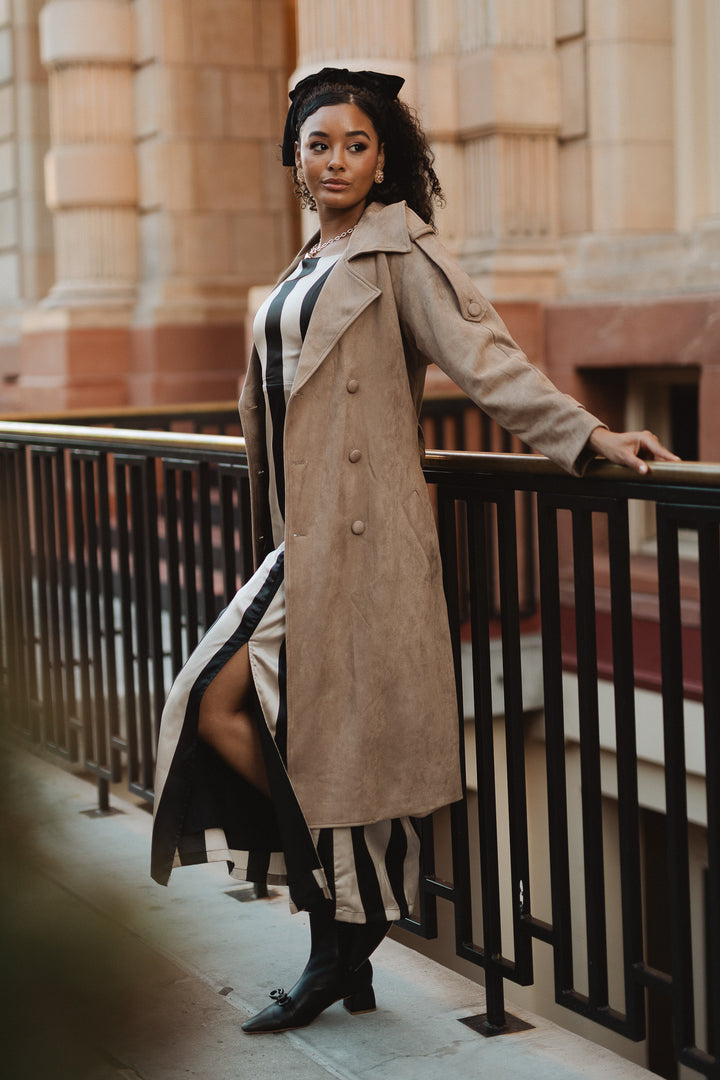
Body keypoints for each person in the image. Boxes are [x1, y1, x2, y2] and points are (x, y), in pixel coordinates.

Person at [151, 67, 678, 1035]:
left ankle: (336, 947)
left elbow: (488, 360)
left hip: (361, 551)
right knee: (237, 716)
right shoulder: (306, 260)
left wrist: (590, 435)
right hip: (297, 545)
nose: (338, 160)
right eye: (320, 146)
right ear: (296, 161)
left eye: (356, 144)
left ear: (381, 156)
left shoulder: (401, 252)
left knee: (229, 706)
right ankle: (353, 927)